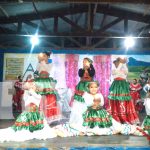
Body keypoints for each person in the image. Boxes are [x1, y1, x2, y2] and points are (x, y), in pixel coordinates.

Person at [108, 57, 139, 125]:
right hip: (116, 86)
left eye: (119, 62)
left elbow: (126, 72)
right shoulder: (114, 69)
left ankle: (124, 116)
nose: (119, 64)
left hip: (123, 85)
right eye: (117, 62)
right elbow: (115, 73)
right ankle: (116, 115)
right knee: (116, 100)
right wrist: (120, 64)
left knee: (123, 100)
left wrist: (124, 64)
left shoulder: (123, 68)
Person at [34, 51, 61, 123]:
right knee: (39, 99)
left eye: (44, 56)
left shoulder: (50, 64)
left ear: (48, 57)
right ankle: (39, 117)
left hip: (47, 82)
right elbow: (37, 71)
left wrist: (41, 61)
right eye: (42, 56)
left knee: (49, 98)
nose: (43, 57)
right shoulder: (39, 63)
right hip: (39, 81)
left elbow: (46, 68)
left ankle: (47, 117)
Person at [69, 57, 95, 125]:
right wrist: (84, 69)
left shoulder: (91, 69)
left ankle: (88, 117)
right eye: (83, 62)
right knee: (80, 100)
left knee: (88, 99)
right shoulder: (81, 69)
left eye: (86, 61)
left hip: (88, 85)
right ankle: (79, 116)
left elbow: (92, 74)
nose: (84, 63)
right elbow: (80, 74)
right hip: (81, 85)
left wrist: (89, 68)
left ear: (89, 63)